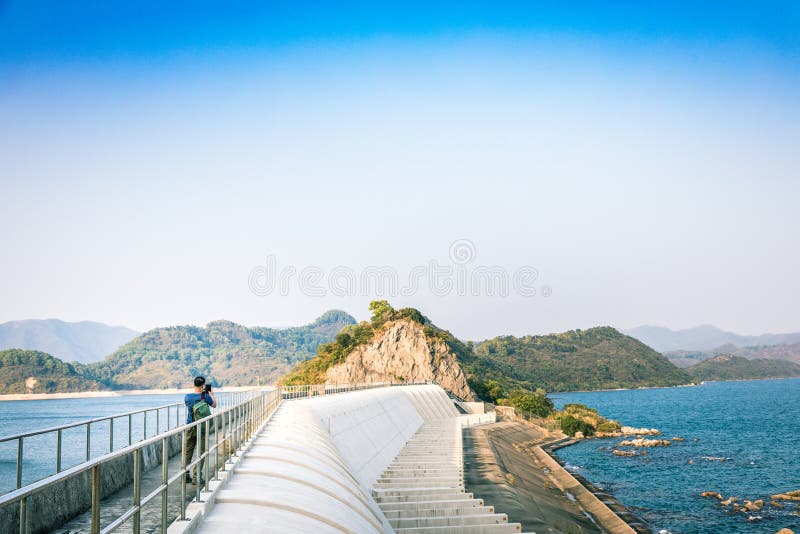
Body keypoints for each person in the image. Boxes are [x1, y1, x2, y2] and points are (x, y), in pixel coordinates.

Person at [183, 376, 216, 484]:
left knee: (188, 451)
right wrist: (212, 395)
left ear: (194, 384)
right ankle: (196, 477)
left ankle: (184, 475)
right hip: (202, 427)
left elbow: (188, 405)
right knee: (201, 452)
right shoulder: (205, 396)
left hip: (190, 426)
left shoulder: (187, 397)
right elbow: (214, 405)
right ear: (203, 385)